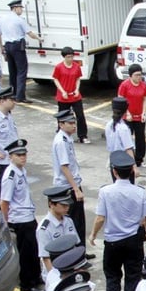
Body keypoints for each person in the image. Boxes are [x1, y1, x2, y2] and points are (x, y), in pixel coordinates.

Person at [90, 152, 146, 291]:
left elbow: (100, 218)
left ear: (114, 172)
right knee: (133, 278)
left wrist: (93, 234)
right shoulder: (140, 192)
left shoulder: (105, 192)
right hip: (134, 241)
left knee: (112, 277)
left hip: (112, 242)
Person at [0, 138, 43, 291]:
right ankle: (26, 284)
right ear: (11, 156)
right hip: (20, 219)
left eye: (24, 154)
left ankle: (36, 277)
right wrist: (6, 222)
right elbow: (4, 201)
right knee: (26, 254)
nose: (23, 157)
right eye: (19, 155)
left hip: (28, 216)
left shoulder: (21, 171)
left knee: (34, 250)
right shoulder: (10, 175)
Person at [51, 108, 88, 254]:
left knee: (79, 221)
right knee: (73, 221)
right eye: (70, 123)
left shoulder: (67, 138)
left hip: (72, 184)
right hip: (67, 187)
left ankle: (80, 250)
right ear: (61, 124)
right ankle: (75, 252)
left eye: (74, 123)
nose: (74, 126)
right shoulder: (61, 141)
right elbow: (65, 167)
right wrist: (76, 189)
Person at [0, 0, 42, 102]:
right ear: (15, 8)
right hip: (17, 46)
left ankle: (13, 93)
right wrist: (39, 39)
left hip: (7, 46)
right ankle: (20, 96)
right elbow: (30, 33)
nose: (21, 10)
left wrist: (1, 47)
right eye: (20, 8)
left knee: (12, 71)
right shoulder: (19, 20)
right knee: (21, 71)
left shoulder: (3, 19)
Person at [37, 186, 77, 276]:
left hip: (71, 268)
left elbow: (75, 245)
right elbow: (46, 258)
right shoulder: (45, 228)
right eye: (63, 205)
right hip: (55, 271)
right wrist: (55, 278)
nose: (67, 208)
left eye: (68, 204)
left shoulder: (68, 221)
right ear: (51, 204)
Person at [52, 47, 89, 143]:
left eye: (72, 57)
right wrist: (62, 91)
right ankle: (62, 133)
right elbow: (56, 79)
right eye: (68, 57)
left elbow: (77, 78)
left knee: (80, 115)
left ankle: (82, 135)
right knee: (63, 116)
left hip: (75, 95)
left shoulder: (76, 66)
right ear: (64, 57)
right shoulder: (59, 67)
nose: (70, 59)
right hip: (63, 96)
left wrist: (77, 89)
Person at [117, 64, 146, 167]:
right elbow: (121, 100)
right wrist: (127, 113)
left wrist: (143, 113)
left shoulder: (143, 85)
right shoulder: (124, 85)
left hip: (139, 116)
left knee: (140, 137)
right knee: (127, 138)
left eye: (140, 75)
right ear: (131, 76)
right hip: (128, 116)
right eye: (136, 75)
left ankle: (139, 159)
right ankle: (127, 159)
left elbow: (145, 99)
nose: (139, 77)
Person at [104, 97, 135, 171]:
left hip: (113, 160)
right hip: (124, 162)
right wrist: (134, 167)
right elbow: (128, 148)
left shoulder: (109, 124)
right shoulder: (123, 128)